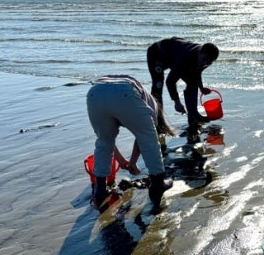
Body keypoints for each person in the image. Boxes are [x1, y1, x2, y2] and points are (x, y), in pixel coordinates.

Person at [86, 75, 175, 212]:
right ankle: (157, 184)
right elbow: (143, 139)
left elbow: (107, 141)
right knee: (148, 137)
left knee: (103, 141)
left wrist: (124, 161)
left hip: (95, 92)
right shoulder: (152, 106)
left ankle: (100, 191)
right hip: (125, 91)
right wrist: (132, 163)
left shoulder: (143, 99)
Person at [146, 37, 219, 138]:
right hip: (157, 54)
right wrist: (177, 102)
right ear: (200, 52)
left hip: (174, 55)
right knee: (158, 87)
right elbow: (170, 81)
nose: (204, 63)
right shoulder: (185, 58)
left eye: (207, 62)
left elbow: (197, 71)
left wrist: (201, 88)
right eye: (203, 60)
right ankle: (158, 123)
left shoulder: (205, 59)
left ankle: (193, 116)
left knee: (192, 82)